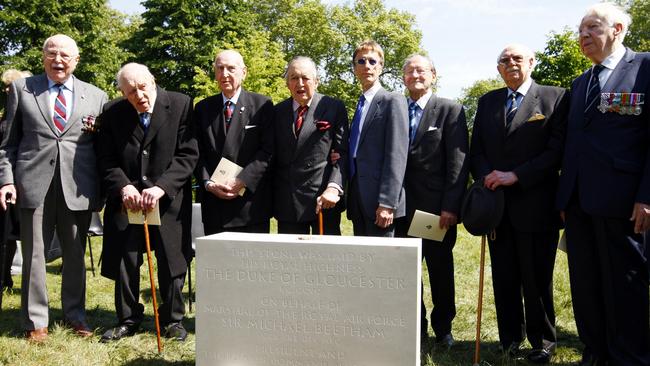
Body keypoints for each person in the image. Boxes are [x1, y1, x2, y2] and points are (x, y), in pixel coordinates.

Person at [555, 3, 650, 365]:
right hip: (579, 203)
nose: (584, 37)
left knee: (624, 285)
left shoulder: (644, 68)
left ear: (618, 29)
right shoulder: (581, 83)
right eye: (581, 31)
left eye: (592, 28)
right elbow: (574, 145)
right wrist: (566, 197)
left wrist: (647, 197)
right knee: (586, 283)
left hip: (624, 202)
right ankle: (595, 351)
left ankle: (630, 356)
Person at [0, 34, 108, 342]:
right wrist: (6, 180)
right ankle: (36, 321)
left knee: (74, 254)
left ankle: (75, 315)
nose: (58, 60)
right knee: (34, 254)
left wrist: (100, 193)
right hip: (32, 184)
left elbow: (101, 150)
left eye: (65, 55)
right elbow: (8, 144)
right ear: (43, 56)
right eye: (52, 53)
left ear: (76, 60)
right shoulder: (23, 89)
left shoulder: (96, 96)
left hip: (78, 186)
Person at [470, 44, 568, 363]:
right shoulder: (487, 102)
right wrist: (488, 176)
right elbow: (477, 151)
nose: (511, 63)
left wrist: (516, 175)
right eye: (504, 60)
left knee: (537, 278)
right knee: (505, 277)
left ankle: (543, 343)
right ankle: (509, 339)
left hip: (536, 205)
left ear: (531, 62)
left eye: (517, 58)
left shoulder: (555, 97)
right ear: (498, 68)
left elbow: (556, 151)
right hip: (497, 210)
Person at [97, 63, 198, 342]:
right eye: (131, 92)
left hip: (167, 201)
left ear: (153, 81)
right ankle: (127, 318)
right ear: (122, 92)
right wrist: (123, 186)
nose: (139, 95)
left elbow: (188, 154)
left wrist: (162, 187)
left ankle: (172, 319)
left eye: (143, 87)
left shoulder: (180, 104)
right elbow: (105, 158)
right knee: (125, 259)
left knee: (171, 259)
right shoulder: (113, 112)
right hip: (127, 201)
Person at [395, 54, 468, 348]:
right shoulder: (395, 108)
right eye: (410, 71)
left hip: (434, 211)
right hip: (400, 208)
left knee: (439, 270)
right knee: (408, 272)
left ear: (433, 75)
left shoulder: (450, 110)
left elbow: (458, 162)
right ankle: (416, 327)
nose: (415, 75)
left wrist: (450, 206)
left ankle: (443, 329)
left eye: (421, 70)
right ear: (403, 78)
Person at [194, 50, 274, 234]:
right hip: (215, 205)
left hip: (250, 206)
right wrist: (208, 183)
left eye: (231, 68)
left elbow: (268, 151)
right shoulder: (202, 108)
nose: (225, 74)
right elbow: (197, 153)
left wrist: (242, 180)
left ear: (244, 72)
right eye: (220, 68)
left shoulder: (262, 105)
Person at [272, 56, 348, 234]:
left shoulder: (334, 107)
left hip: (324, 200)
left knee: (328, 260)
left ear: (316, 81)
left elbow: (342, 154)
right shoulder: (276, 112)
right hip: (288, 203)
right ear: (287, 83)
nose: (300, 83)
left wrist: (333, 188)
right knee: (290, 260)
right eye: (294, 78)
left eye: (305, 78)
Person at [346, 40, 408, 237]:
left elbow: (397, 156)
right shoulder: (360, 104)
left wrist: (388, 202)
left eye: (373, 61)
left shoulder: (393, 100)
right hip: (358, 197)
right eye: (361, 61)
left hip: (380, 202)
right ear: (354, 67)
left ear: (381, 66)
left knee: (382, 265)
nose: (367, 66)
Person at [0, 69, 31, 289]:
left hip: (21, 180)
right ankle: (5, 277)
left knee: (14, 233)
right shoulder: (6, 115)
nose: (7, 90)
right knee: (7, 234)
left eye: (11, 86)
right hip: (6, 180)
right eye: (6, 86)